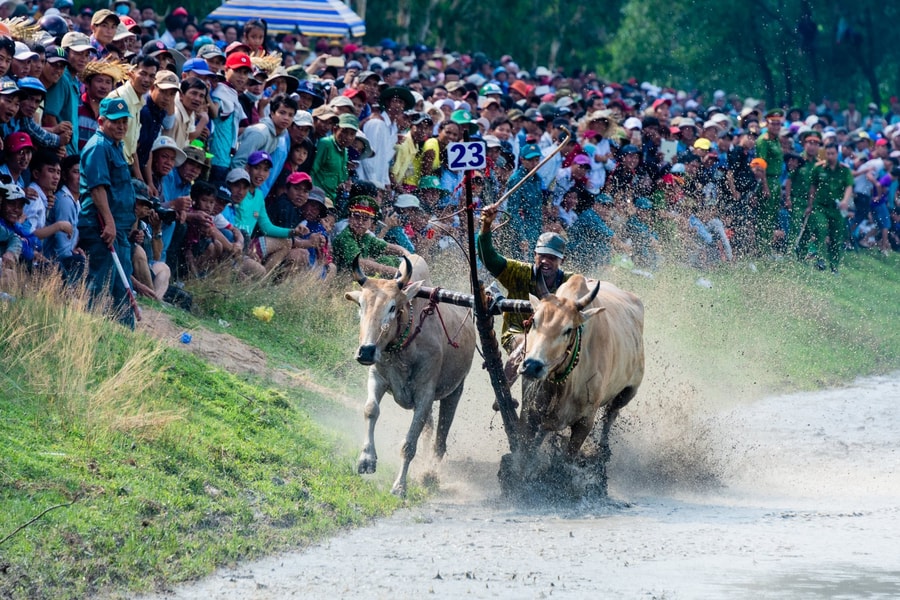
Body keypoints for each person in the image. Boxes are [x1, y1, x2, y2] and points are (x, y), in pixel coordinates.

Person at [477, 200, 574, 384]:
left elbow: (589, 291)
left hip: (552, 339)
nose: (545, 261)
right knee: (525, 342)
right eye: (542, 255)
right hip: (517, 333)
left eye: (552, 258)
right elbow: (488, 258)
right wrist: (486, 225)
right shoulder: (519, 272)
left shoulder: (570, 282)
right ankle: (503, 396)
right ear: (534, 255)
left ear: (562, 260)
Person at [77, 97, 137, 328]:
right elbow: (98, 188)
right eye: (115, 122)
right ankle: (89, 331)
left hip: (118, 227)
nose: (121, 126)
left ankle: (125, 336)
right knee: (100, 282)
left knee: (122, 285)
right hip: (101, 226)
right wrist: (110, 223)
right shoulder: (98, 147)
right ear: (101, 121)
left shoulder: (114, 145)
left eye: (124, 121)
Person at [807, 143, 853, 274]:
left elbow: (849, 186)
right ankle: (820, 260)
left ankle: (834, 266)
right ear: (825, 153)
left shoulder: (844, 170)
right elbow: (813, 187)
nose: (830, 156)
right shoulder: (818, 168)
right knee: (821, 228)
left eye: (833, 153)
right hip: (820, 206)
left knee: (836, 237)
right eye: (828, 153)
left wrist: (845, 201)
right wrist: (810, 205)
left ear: (837, 154)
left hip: (837, 209)